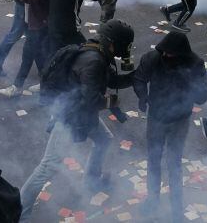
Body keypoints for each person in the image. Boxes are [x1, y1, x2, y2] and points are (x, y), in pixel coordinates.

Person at [19, 20, 135, 222]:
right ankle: (19, 212)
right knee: (48, 166)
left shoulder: (96, 52)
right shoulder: (94, 61)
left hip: (80, 113)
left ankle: (91, 180)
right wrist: (112, 101)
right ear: (112, 43)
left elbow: (111, 81)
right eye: (124, 45)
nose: (125, 50)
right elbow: (93, 100)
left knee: (104, 139)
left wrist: (137, 76)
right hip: (70, 116)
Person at [133, 32, 207, 222]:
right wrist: (142, 96)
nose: (166, 56)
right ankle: (152, 200)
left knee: (174, 163)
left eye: (170, 54)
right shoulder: (153, 58)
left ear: (182, 53)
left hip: (179, 120)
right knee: (153, 160)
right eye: (164, 53)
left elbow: (203, 96)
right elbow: (139, 77)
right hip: (157, 118)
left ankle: (176, 208)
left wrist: (190, 82)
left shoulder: (195, 64)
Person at [0, 0, 53, 97]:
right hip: (31, 21)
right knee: (39, 56)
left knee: (27, 55)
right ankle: (46, 85)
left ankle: (17, 87)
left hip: (39, 23)